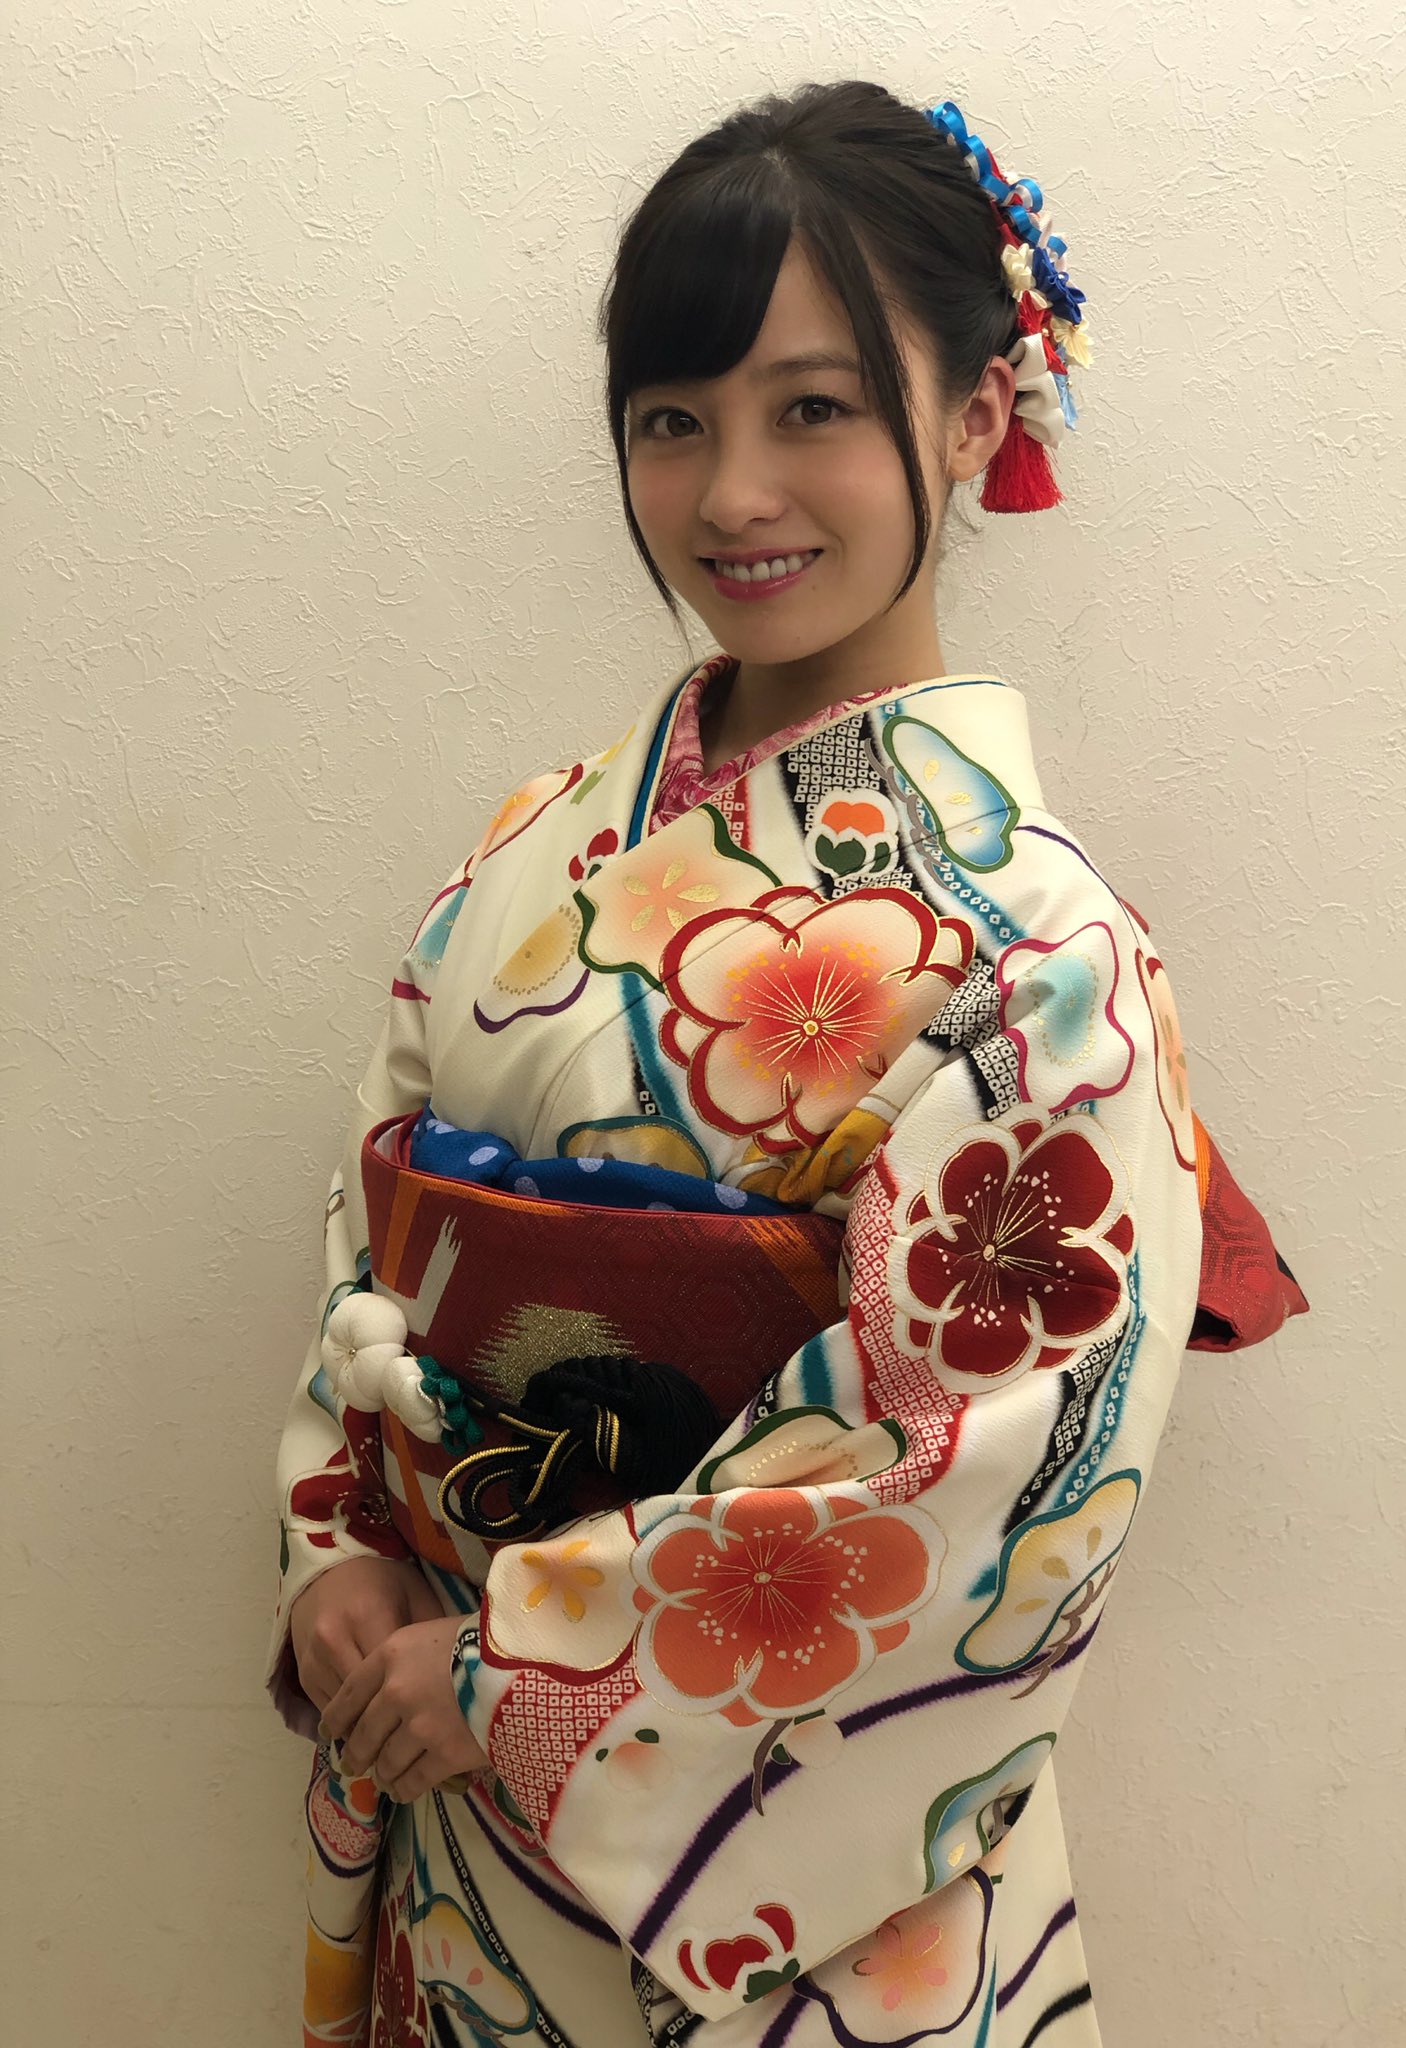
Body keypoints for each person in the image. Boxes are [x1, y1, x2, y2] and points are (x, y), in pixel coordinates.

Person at [266, 80, 1308, 2048]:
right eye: (673, 421)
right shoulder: (533, 850)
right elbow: (374, 1244)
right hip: (460, 1812)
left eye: (811, 407)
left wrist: (521, 1668)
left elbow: (991, 1484)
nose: (735, 491)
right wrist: (345, 1543)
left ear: (979, 415)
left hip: (788, 1874)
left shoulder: (1042, 958)